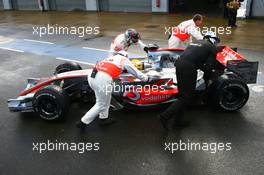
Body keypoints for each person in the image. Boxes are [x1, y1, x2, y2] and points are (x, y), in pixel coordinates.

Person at [159, 31, 220, 131]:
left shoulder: (196, 42)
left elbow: (195, 59)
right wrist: (207, 80)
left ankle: (178, 120)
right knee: (187, 96)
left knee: (182, 95)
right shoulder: (211, 47)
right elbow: (209, 67)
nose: (216, 44)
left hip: (179, 65)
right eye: (216, 41)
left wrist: (202, 69)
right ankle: (164, 116)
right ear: (213, 39)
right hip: (188, 68)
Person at [76, 51, 149, 130]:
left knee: (105, 98)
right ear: (126, 56)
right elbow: (134, 71)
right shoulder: (124, 59)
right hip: (102, 79)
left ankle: (103, 119)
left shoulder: (109, 59)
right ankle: (83, 122)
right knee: (101, 104)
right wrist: (146, 78)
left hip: (92, 77)